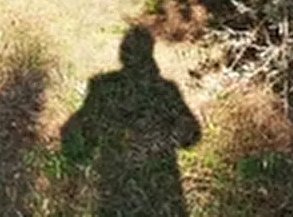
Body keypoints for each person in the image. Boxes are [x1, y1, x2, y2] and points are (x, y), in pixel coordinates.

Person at [61, 26, 201, 216]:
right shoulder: (165, 91)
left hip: (118, 191)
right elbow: (191, 134)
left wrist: (79, 161)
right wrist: (160, 143)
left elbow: (77, 131)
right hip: (161, 194)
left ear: (123, 53)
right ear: (150, 53)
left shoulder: (104, 88)